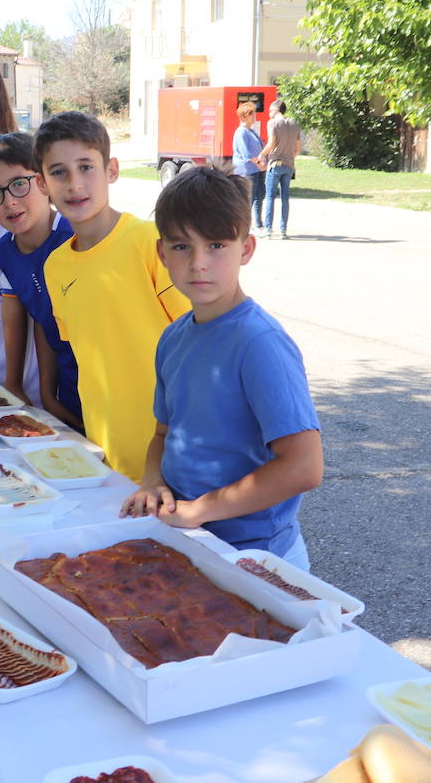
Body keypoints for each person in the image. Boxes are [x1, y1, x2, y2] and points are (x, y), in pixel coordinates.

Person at [119, 166, 323, 569]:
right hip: (189, 538)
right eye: (181, 247)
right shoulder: (173, 337)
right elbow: (163, 434)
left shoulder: (259, 344)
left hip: (256, 556)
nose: (198, 263)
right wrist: (152, 481)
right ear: (161, 253)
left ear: (245, 249)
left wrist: (199, 510)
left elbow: (304, 467)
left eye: (215, 245)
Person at [38, 111, 191, 482]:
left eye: (86, 166)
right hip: (111, 456)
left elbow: (201, 340)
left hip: (178, 452)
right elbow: (87, 357)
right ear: (42, 184)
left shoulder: (149, 241)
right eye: (58, 172)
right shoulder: (55, 266)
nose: (74, 184)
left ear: (112, 170)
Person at [0, 132, 80, 425]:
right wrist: (48, 394)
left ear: (44, 182)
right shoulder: (5, 250)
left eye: (19, 184)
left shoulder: (75, 237)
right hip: (68, 391)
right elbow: (43, 319)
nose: (9, 202)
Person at [256, 99, 300, 239]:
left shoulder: (273, 123)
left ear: (276, 110)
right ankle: (283, 230)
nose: (269, 113)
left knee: (270, 197)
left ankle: (268, 229)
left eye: (270, 110)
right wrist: (289, 156)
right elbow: (298, 149)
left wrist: (261, 154)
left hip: (275, 164)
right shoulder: (294, 124)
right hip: (289, 166)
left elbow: (271, 144)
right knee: (285, 198)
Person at [232, 101, 265, 230]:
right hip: (246, 171)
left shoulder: (252, 131)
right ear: (245, 116)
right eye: (252, 114)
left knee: (259, 196)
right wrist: (259, 164)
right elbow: (246, 153)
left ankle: (258, 223)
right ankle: (243, 225)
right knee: (248, 199)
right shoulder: (241, 132)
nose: (255, 116)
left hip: (256, 169)